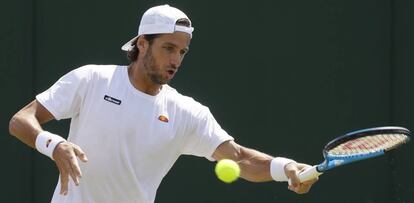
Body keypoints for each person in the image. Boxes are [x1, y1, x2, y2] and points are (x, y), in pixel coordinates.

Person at [9, 4, 317, 203]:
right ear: (142, 44)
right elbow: (21, 120)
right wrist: (54, 145)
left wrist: (285, 167)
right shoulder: (92, 80)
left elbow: (238, 158)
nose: (175, 60)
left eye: (182, 52)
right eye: (168, 48)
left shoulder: (187, 113)